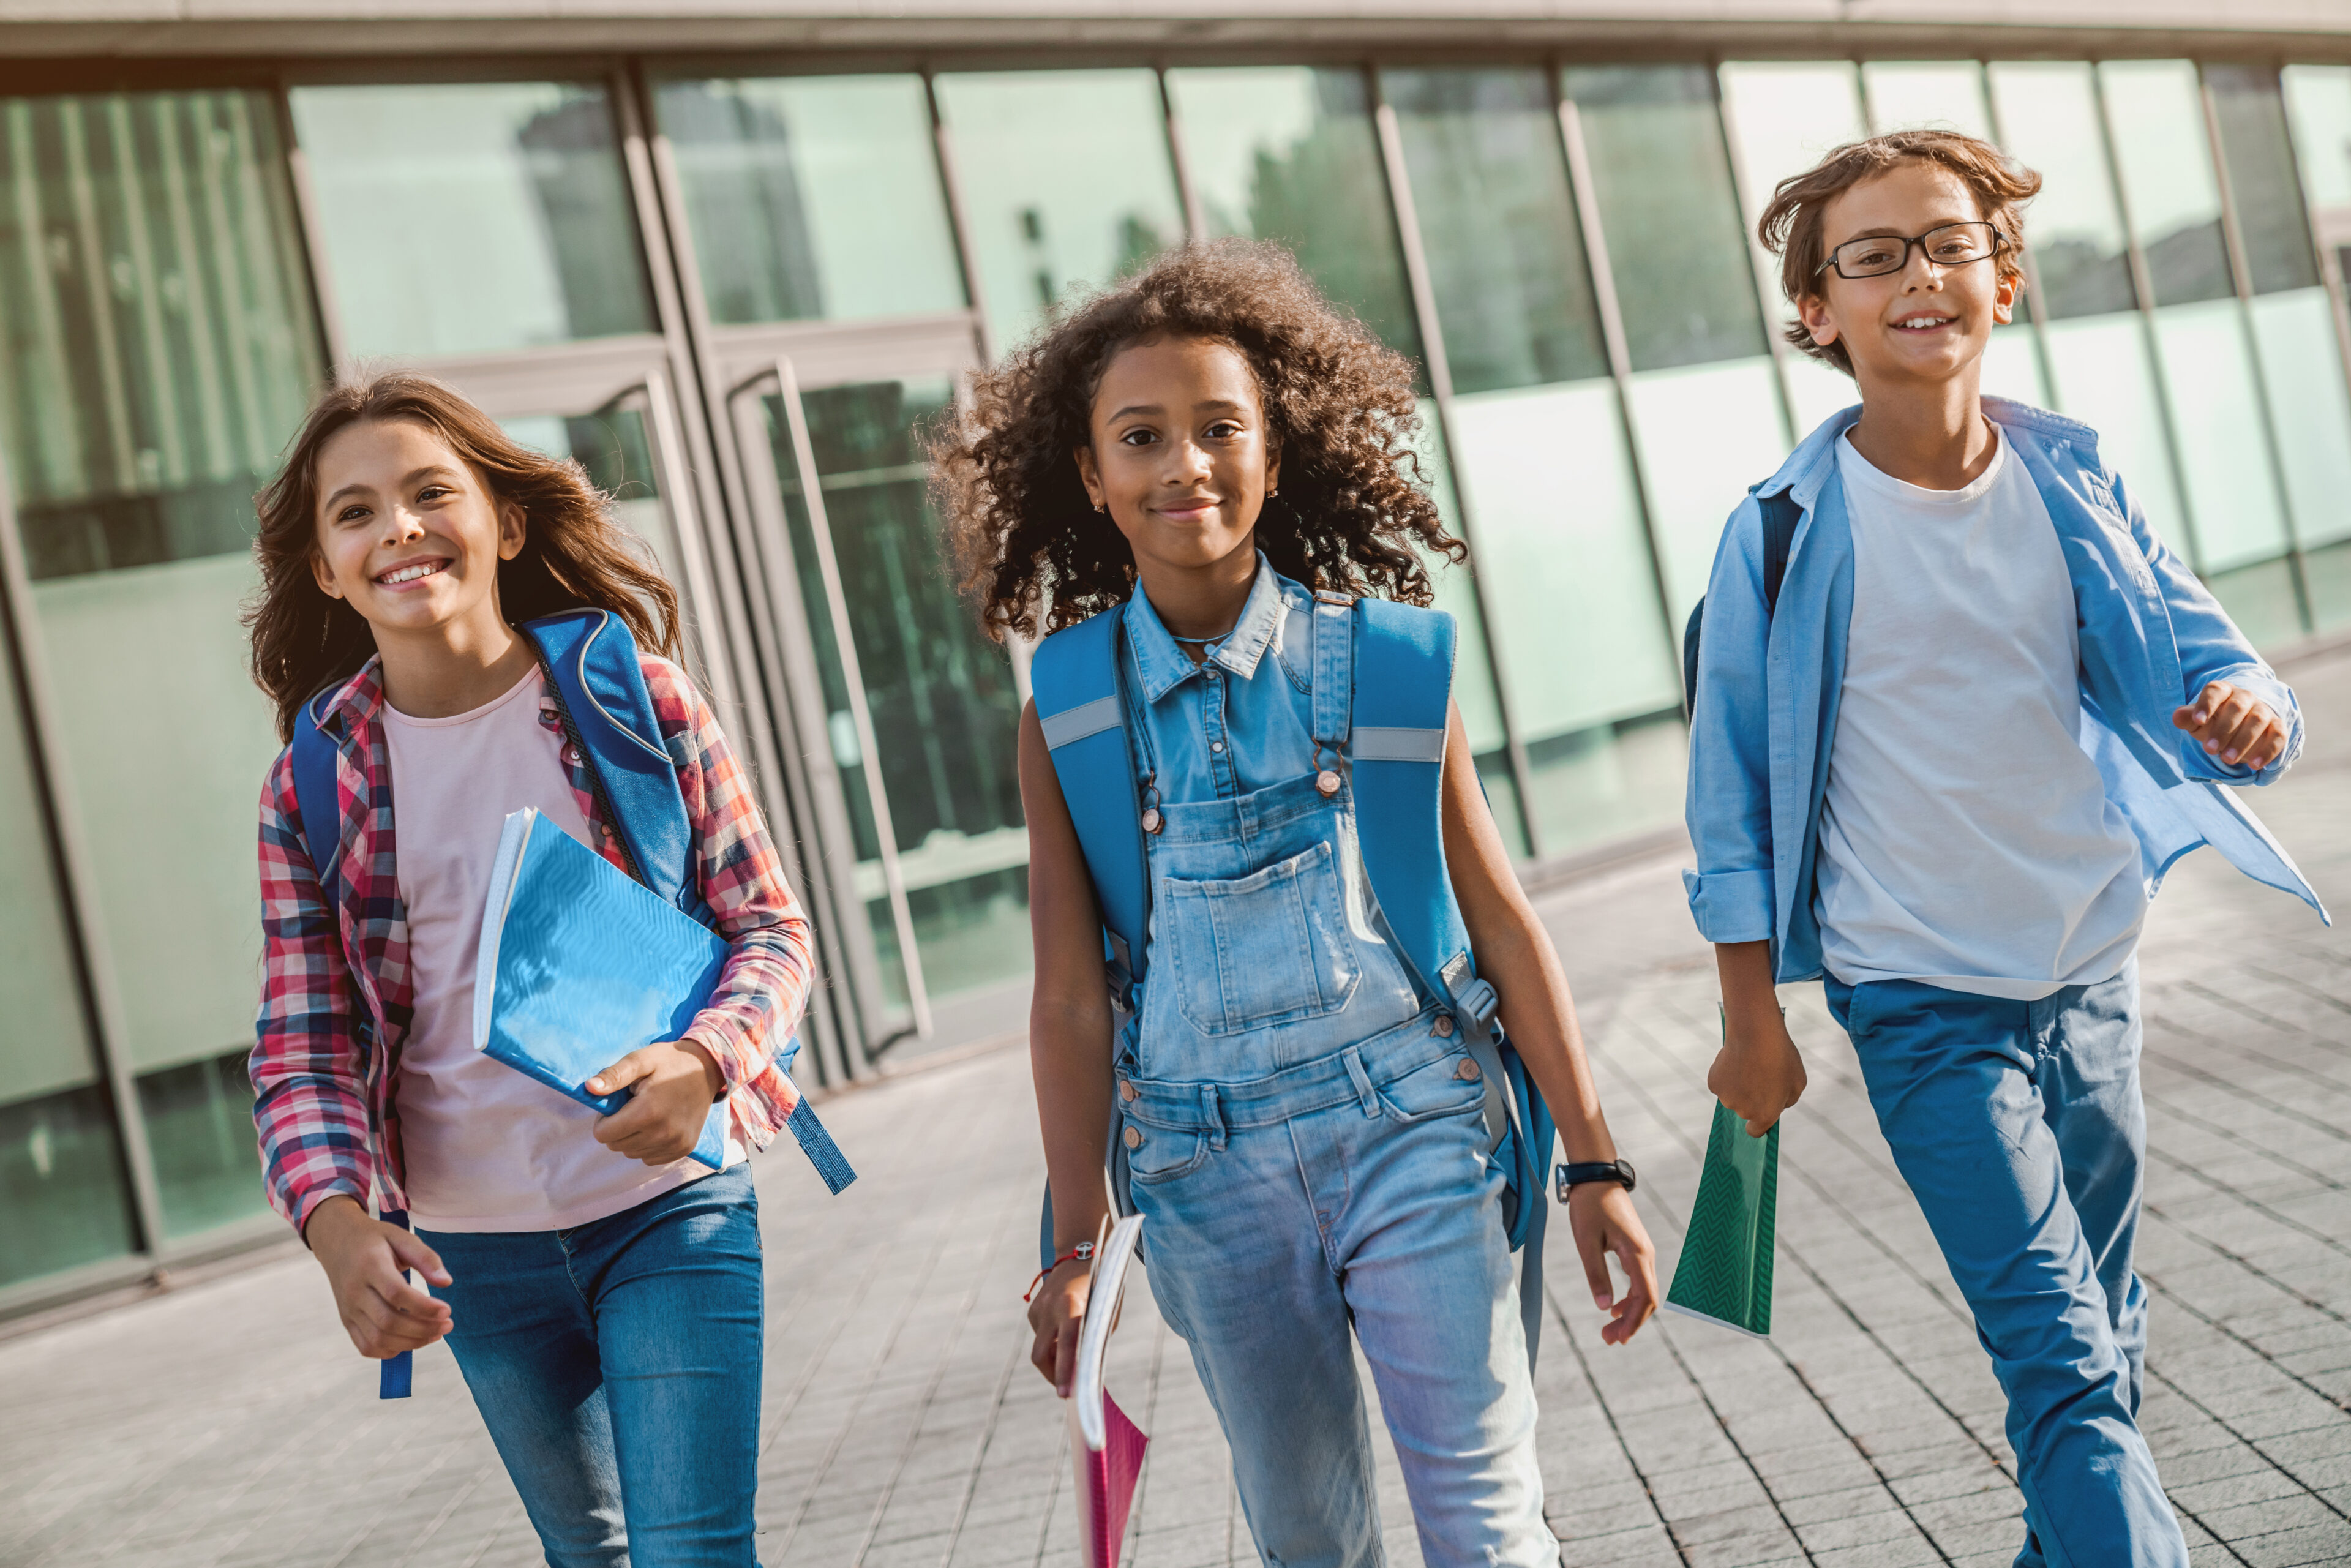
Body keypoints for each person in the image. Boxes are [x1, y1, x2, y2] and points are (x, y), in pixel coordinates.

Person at [935, 241, 1659, 1568]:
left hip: (1416, 1124)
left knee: (1489, 1524)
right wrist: (1074, 1238)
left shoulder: (1389, 659)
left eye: (1221, 429)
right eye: (1141, 438)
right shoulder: (1072, 708)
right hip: (1203, 1175)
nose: (1184, 467)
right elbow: (1068, 993)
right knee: (1307, 1540)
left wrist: (1597, 1162)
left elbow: (1498, 918)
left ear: (1277, 449)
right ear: (1092, 478)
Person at [1685, 130, 2327, 1568]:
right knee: (2067, 1369)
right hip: (1919, 1006)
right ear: (1818, 313)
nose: (1919, 274)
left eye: (1948, 243)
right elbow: (1728, 800)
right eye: (1873, 256)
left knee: (2110, 1340)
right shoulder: (1784, 535)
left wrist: (2249, 715)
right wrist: (1750, 1023)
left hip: (2093, 970)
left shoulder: (2072, 486)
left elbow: (2242, 682)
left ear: (2005, 281)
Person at [246, 372, 814, 1568]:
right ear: (328, 571)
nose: (397, 527)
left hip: (672, 1214)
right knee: (591, 1557)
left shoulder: (636, 699)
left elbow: (769, 926)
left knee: (693, 1553)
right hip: (476, 1258)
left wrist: (707, 1064)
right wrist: (340, 1228)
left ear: (504, 521)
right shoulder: (314, 785)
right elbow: (302, 1048)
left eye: (429, 492)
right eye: (355, 514)